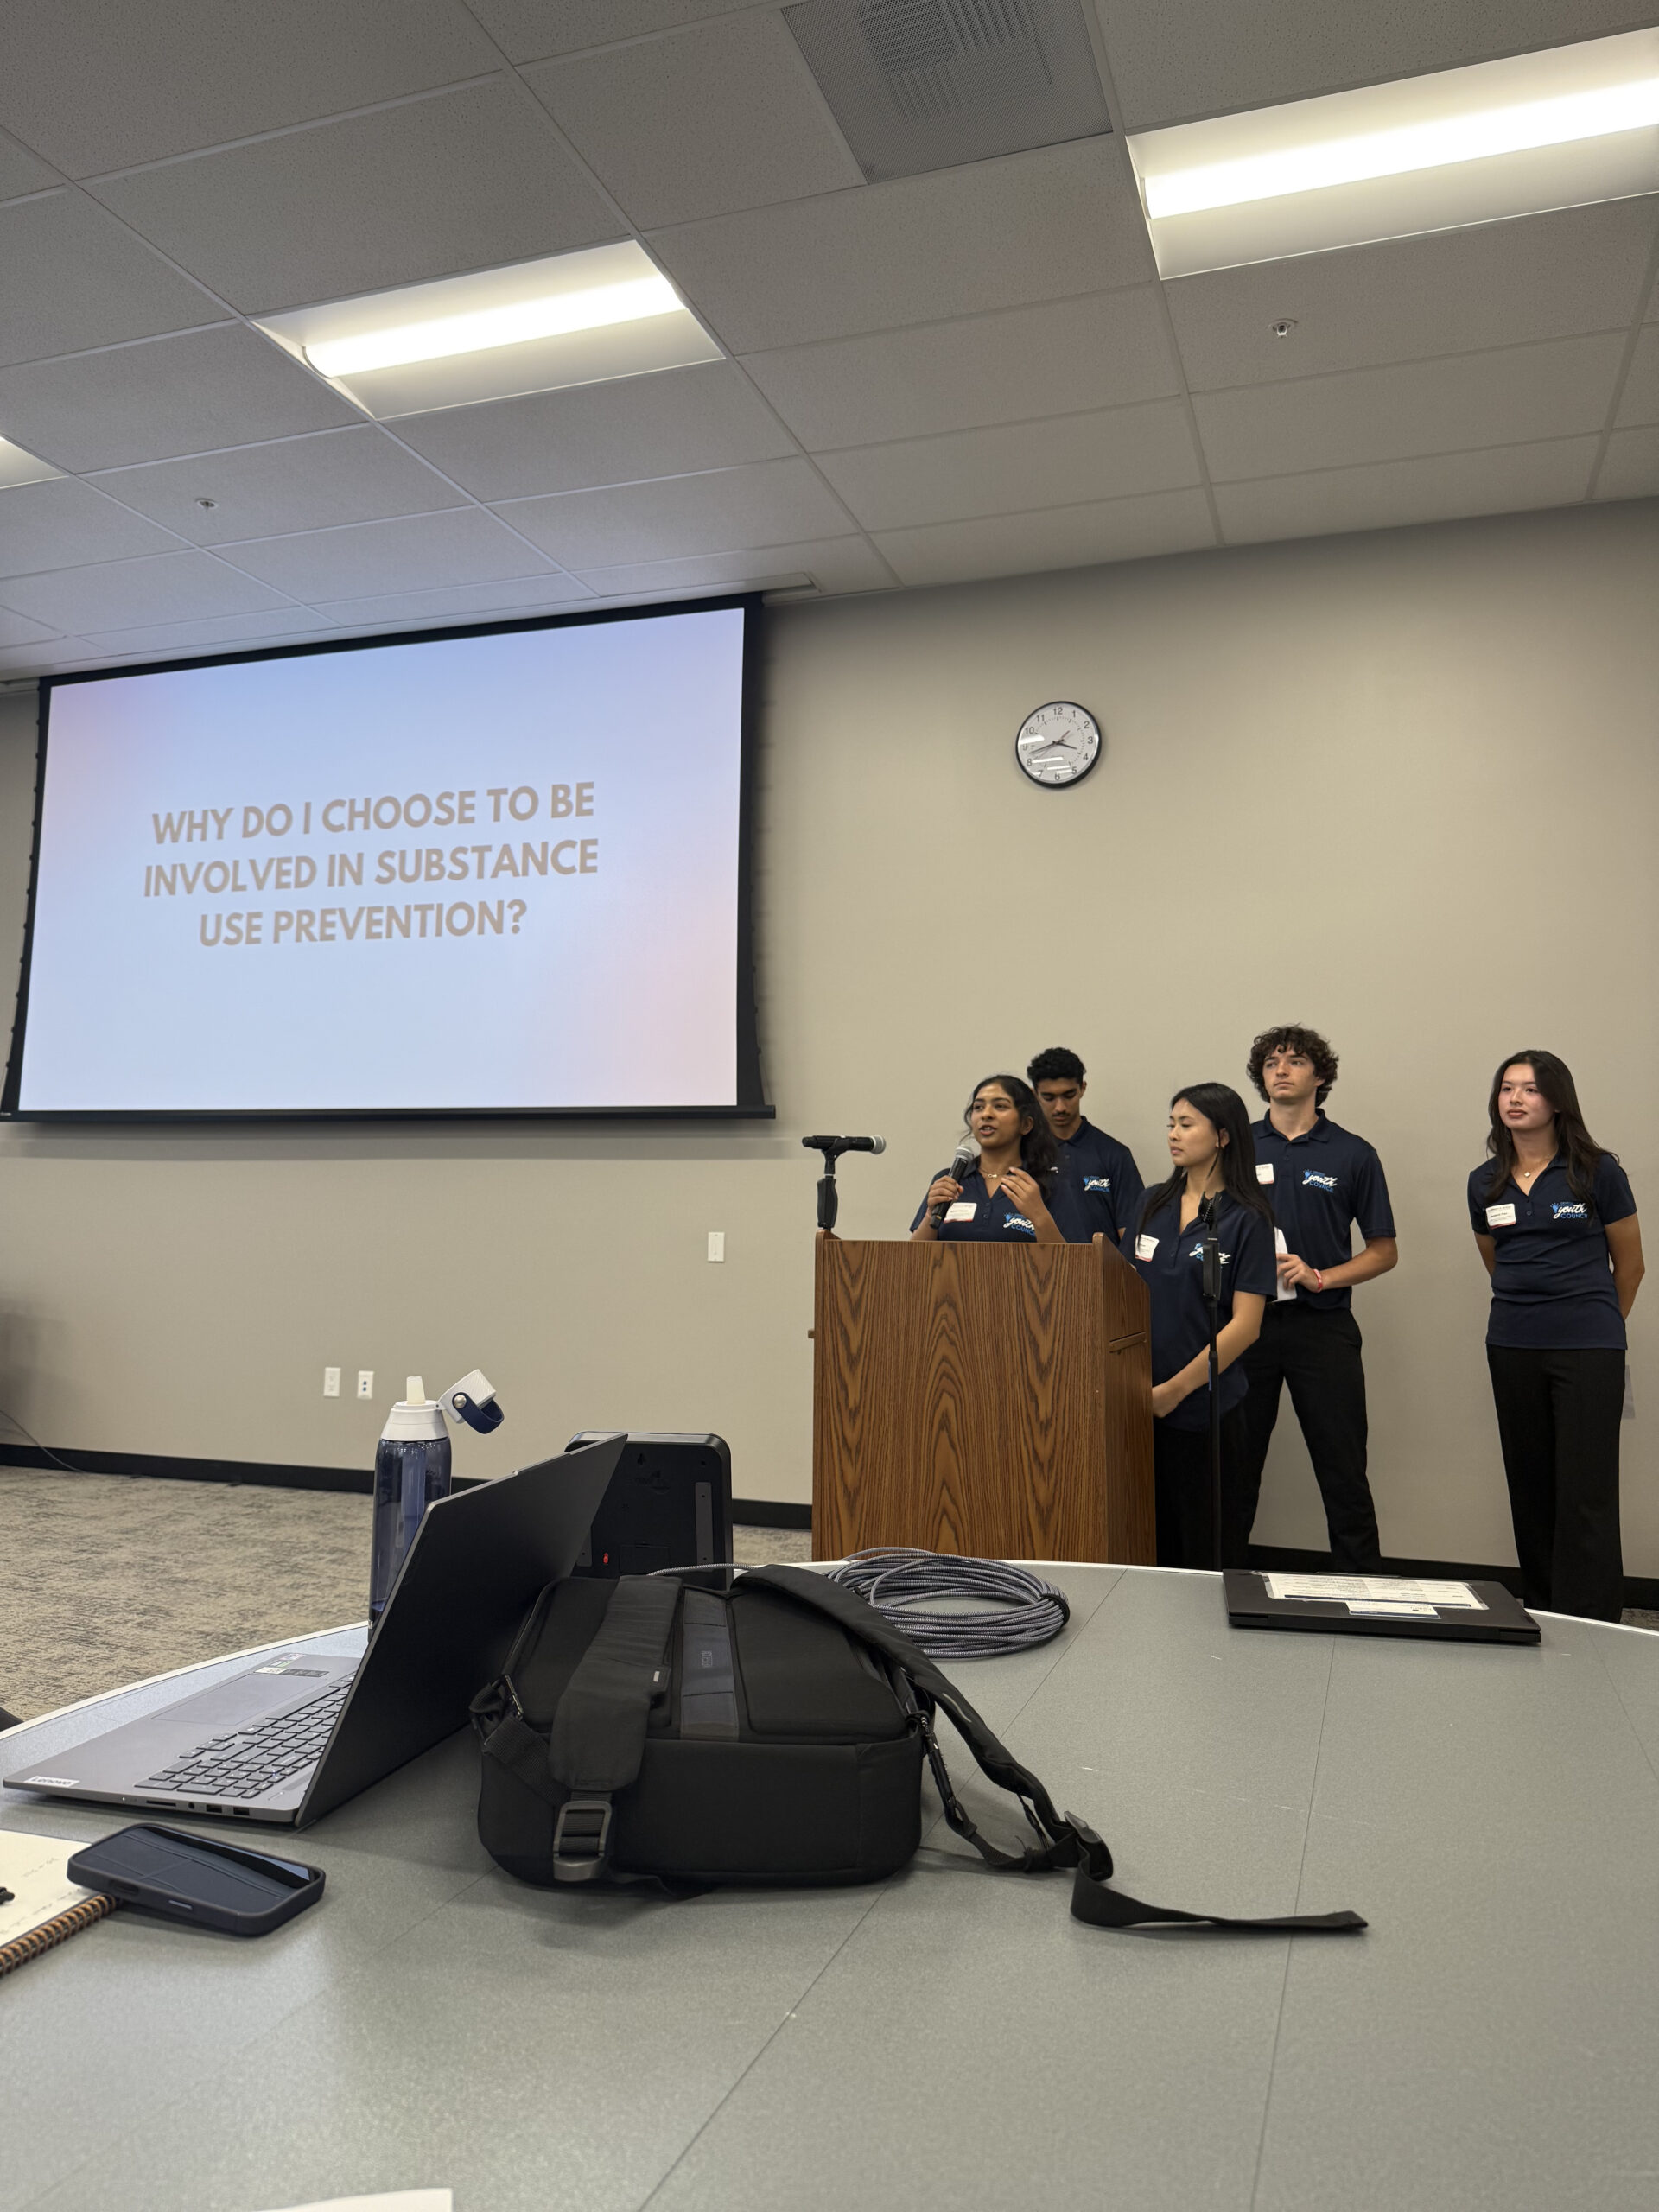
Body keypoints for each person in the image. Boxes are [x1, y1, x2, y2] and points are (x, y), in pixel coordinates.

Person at [1469, 1051, 1643, 1622]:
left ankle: (1592, 1618)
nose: (1516, 1098)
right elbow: (1498, 1263)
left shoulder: (1597, 1171)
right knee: (1530, 1480)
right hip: (1513, 1343)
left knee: (1585, 1490)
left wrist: (1597, 1326)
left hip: (1588, 1347)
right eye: (1507, 1088)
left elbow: (1631, 1265)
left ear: (1557, 1101)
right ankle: (1544, 1610)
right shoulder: (1484, 1182)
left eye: (1531, 1089)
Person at [1236, 1026, 1398, 1572]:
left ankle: (1364, 1588)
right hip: (1245, 1326)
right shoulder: (1233, 1148)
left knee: (1343, 1467)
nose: (1281, 1069)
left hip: (1322, 1328)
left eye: (1296, 1060)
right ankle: (1212, 1586)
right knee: (1233, 1468)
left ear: (1319, 1076)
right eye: (1272, 1062)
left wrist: (1322, 1276)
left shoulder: (1353, 1153)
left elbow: (1383, 1251)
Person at [1129, 1084, 1276, 1569]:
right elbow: (1120, 1293)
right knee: (1148, 1543)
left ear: (1223, 1137)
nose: (1173, 1134)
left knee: (1205, 1549)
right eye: (1171, 1123)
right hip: (1136, 1402)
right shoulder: (1151, 1203)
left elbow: (1246, 1325)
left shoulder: (1247, 1217)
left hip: (1205, 1408)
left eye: (1186, 1124)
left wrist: (1174, 1390)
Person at [911, 1073, 1070, 1243]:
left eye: (1000, 1106)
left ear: (1025, 1124)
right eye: (978, 1107)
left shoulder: (1049, 1183)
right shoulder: (949, 1180)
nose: (986, 1114)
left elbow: (1069, 1263)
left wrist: (1039, 1216)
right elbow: (914, 1259)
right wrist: (930, 1214)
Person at [1027, 1046, 1146, 1245]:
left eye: (1069, 1095)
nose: (1060, 1107)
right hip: (1035, 1272)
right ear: (1034, 1094)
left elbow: (1132, 1239)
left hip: (1101, 1273)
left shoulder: (1115, 1154)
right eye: (1049, 1097)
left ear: (1083, 1088)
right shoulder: (1023, 1153)